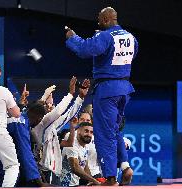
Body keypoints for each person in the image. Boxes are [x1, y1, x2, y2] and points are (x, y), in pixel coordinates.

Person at [65, 7, 138, 185]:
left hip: (107, 90)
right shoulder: (131, 38)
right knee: (114, 130)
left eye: (99, 19)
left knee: (104, 134)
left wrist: (72, 37)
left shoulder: (105, 36)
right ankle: (125, 166)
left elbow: (83, 49)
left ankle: (111, 178)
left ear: (106, 19)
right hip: (125, 88)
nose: (97, 22)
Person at [29, 77, 90, 185]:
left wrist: (80, 97)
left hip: (49, 171)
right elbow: (58, 111)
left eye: (51, 105)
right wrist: (71, 93)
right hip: (44, 170)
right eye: (46, 105)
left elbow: (68, 115)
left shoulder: (49, 126)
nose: (49, 107)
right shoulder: (41, 126)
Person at [60, 122, 100, 186]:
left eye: (91, 132)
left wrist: (92, 180)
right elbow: (75, 167)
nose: (89, 134)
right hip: (65, 184)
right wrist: (94, 180)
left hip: (75, 183)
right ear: (78, 131)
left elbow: (85, 165)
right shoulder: (72, 144)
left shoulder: (86, 145)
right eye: (86, 131)